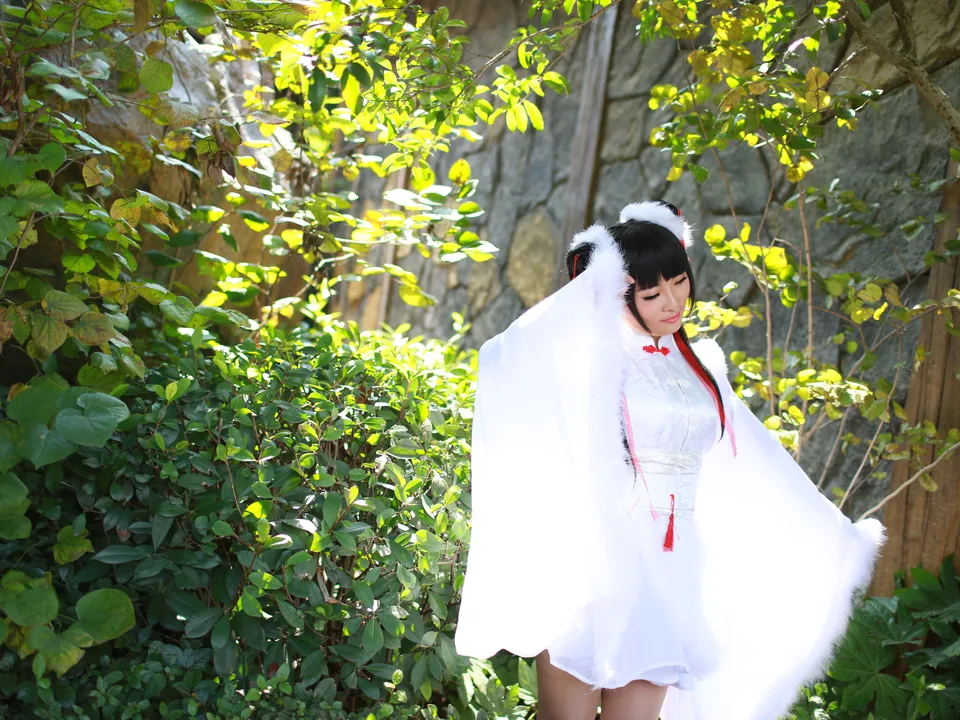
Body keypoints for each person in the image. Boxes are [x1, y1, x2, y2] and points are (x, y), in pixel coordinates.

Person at [454, 201, 885, 720]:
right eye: (651, 293)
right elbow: (510, 354)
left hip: (671, 571)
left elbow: (758, 457)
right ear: (616, 293)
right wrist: (591, 290)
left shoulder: (700, 368)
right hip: (596, 566)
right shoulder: (590, 359)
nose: (673, 302)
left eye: (679, 282)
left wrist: (832, 532)